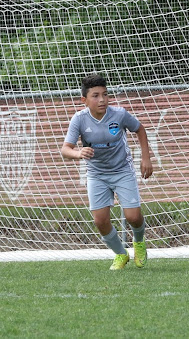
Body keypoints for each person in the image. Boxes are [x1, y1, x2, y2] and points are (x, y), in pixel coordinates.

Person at [61, 73, 153, 270]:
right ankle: (121, 253)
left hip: (122, 170)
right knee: (100, 220)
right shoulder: (79, 119)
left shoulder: (119, 114)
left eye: (105, 94)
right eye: (95, 96)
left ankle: (139, 242)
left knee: (133, 217)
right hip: (97, 174)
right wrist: (79, 153)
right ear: (84, 100)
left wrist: (146, 158)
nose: (102, 99)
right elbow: (65, 149)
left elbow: (140, 129)